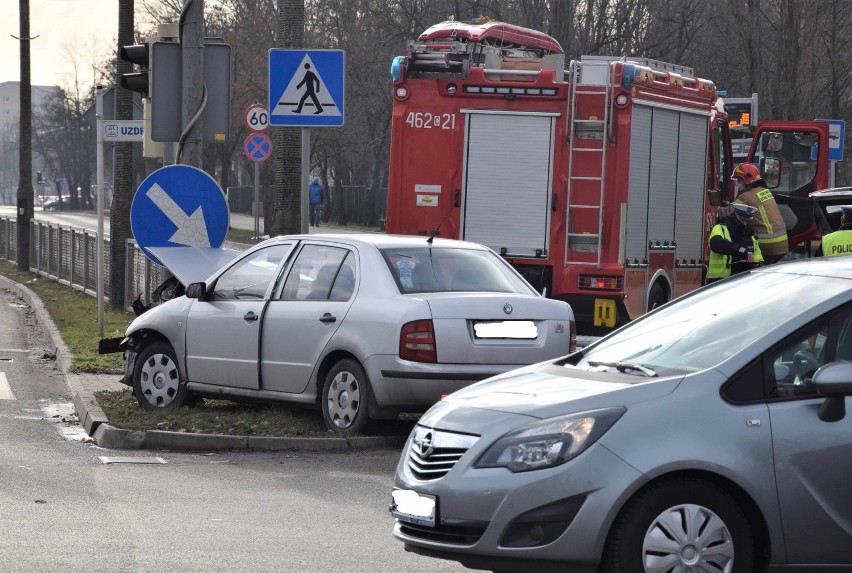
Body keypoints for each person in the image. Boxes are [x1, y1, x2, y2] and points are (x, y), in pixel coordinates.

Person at [731, 162, 789, 264]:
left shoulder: (747, 196)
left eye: (738, 181)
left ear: (746, 180)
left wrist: (716, 209)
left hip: (767, 245)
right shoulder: (764, 191)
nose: (737, 184)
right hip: (782, 244)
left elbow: (729, 210)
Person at [706, 203, 764, 284]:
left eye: (747, 221)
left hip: (743, 282)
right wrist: (743, 251)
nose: (744, 223)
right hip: (719, 281)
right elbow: (716, 244)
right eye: (742, 220)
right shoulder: (720, 228)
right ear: (735, 216)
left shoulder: (751, 236)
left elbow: (759, 262)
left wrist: (756, 264)